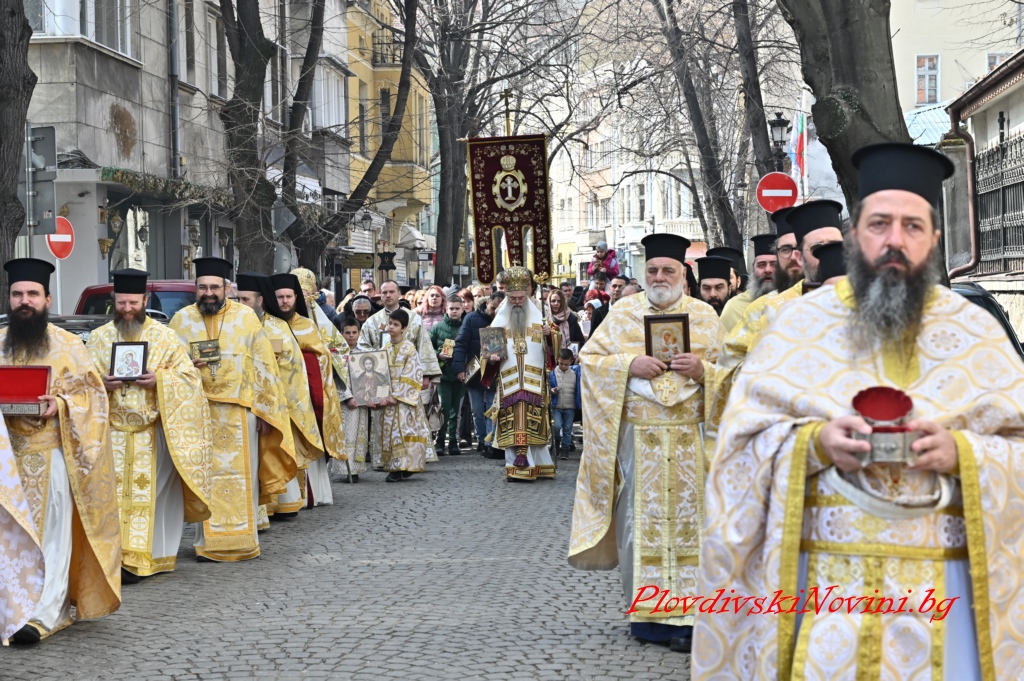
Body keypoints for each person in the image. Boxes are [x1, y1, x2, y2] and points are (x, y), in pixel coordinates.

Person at [693, 142, 1022, 679]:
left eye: (913, 226)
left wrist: (963, 452)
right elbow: (738, 451)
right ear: (854, 236)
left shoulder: (975, 331)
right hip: (826, 595)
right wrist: (813, 445)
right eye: (879, 224)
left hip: (949, 598)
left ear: (934, 239)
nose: (895, 240)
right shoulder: (799, 327)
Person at [568, 233, 724, 653]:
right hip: (640, 439)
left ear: (682, 276)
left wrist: (704, 372)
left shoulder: (706, 317)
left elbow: (733, 375)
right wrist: (628, 364)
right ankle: (649, 616)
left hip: (694, 439)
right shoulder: (622, 314)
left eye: (667, 270)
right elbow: (592, 361)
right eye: (652, 270)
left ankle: (693, 617)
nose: (659, 277)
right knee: (641, 523)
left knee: (698, 525)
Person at [1, 258, 120, 644]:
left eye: (32, 294)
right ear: (9, 297)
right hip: (5, 460)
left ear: (47, 298)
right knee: (9, 538)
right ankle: (10, 608)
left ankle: (44, 613)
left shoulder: (68, 346)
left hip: (50, 454)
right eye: (18, 293)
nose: (24, 301)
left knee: (51, 534)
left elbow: (94, 398)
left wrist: (62, 405)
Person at [86, 268, 212, 581]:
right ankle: (114, 560)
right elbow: (81, 383)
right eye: (120, 303)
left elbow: (190, 379)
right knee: (112, 500)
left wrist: (160, 380)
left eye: (133, 303)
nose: (126, 309)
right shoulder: (100, 338)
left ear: (144, 300)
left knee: (150, 499)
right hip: (112, 434)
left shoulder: (166, 338)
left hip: (152, 433)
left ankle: (147, 559)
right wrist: (101, 384)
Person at [169, 257, 295, 562]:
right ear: (195, 288)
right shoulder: (180, 321)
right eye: (202, 287)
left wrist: (266, 412)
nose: (208, 293)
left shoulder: (246, 318)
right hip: (197, 411)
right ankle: (207, 543)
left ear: (227, 288)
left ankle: (242, 540)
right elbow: (168, 364)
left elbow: (265, 366)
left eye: (214, 287)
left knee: (242, 477)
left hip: (241, 411)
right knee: (205, 475)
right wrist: (186, 366)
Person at [234, 272, 317, 518]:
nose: (241, 305)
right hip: (241, 401)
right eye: (237, 300)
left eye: (246, 300)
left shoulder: (277, 327)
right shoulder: (232, 328)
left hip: (274, 402)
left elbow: (294, 367)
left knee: (274, 451)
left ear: (260, 301)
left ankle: (282, 503)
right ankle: (256, 511)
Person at [276, 271, 349, 507]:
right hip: (278, 396)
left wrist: (302, 360)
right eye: (280, 297)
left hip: (306, 396)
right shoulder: (268, 325)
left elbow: (325, 359)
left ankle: (311, 494)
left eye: (290, 296)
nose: (285, 301)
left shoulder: (308, 326)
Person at [483, 265, 556, 481]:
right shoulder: (499, 319)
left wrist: (549, 335)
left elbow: (555, 348)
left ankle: (539, 464)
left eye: (520, 297)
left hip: (534, 382)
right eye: (512, 297)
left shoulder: (540, 318)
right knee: (512, 424)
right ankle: (515, 466)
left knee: (534, 423)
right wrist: (492, 357)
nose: (516, 301)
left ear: (528, 294)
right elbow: (488, 352)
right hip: (509, 383)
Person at [373, 309, 431, 482]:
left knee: (403, 431)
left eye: (396, 325)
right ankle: (396, 466)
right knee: (389, 433)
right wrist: (380, 396)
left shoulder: (409, 349)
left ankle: (402, 467)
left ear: (404, 328)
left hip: (404, 399)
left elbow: (413, 375)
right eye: (390, 323)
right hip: (388, 398)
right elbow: (380, 374)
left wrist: (397, 396)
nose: (391, 327)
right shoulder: (385, 348)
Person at [454, 290, 504, 455]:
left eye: (499, 309)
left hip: (496, 370)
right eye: (493, 307)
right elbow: (461, 343)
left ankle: (489, 442)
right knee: (476, 409)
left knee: (492, 407)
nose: (494, 312)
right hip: (474, 369)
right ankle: (482, 439)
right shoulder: (471, 318)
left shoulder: (504, 321)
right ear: (487, 302)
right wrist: (459, 368)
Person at [430, 292, 466, 457]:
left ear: (462, 309)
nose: (454, 311)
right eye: (451, 308)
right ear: (446, 308)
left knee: (456, 410)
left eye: (457, 309)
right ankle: (440, 441)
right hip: (443, 375)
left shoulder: (465, 326)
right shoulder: (437, 328)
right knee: (443, 409)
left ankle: (453, 442)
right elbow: (428, 349)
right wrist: (439, 355)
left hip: (460, 376)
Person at [719, 234, 777, 332]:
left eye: (774, 265)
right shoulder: (734, 307)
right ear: (753, 269)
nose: (768, 270)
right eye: (761, 265)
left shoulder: (795, 301)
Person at [335, 317, 369, 481]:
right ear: (341, 333)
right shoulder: (336, 353)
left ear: (359, 332)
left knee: (358, 435)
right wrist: (347, 397)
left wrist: (370, 396)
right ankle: (343, 469)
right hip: (342, 401)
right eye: (347, 333)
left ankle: (355, 469)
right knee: (344, 435)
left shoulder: (365, 352)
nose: (351, 336)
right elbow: (335, 378)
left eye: (354, 332)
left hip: (361, 401)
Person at [548, 348, 581, 458]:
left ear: (571, 362)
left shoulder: (575, 373)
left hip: (570, 406)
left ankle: (565, 449)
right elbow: (547, 387)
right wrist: (551, 391)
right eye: (561, 363)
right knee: (556, 427)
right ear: (557, 360)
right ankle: (556, 443)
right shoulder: (552, 373)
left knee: (567, 429)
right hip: (556, 405)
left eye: (566, 364)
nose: (563, 366)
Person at [546, 288, 585, 363]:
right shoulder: (545, 319)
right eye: (553, 301)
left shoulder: (571, 318)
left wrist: (578, 353)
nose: (556, 303)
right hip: (551, 361)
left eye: (559, 301)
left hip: (569, 361)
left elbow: (580, 340)